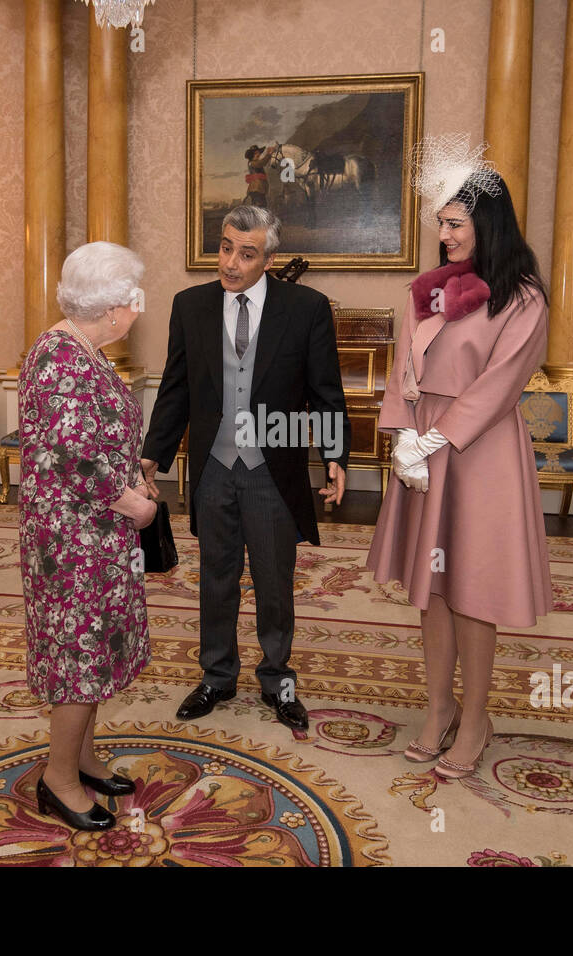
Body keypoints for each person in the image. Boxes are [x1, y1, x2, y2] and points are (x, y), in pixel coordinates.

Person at [366, 135, 553, 780]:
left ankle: (476, 718)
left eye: (455, 222)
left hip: (477, 453)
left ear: (487, 222)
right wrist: (400, 435)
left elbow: (502, 383)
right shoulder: (434, 290)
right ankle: (439, 706)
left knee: (471, 588)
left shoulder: (522, 297)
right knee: (432, 590)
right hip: (422, 452)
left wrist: (436, 436)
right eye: (440, 223)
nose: (444, 234)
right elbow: (404, 366)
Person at [140, 205, 351, 731]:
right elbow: (176, 387)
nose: (231, 263)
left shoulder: (306, 308)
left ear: (269, 260)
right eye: (225, 247)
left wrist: (333, 456)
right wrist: (153, 454)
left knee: (274, 580)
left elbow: (326, 393)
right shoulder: (190, 305)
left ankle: (278, 679)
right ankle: (216, 675)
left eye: (247, 253)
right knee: (215, 577)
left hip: (270, 469)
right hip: (212, 466)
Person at [18, 241, 156, 831]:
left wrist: (135, 470)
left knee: (96, 650)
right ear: (113, 307)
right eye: (136, 299)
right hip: (73, 540)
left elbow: (93, 437)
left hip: (96, 534)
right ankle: (59, 778)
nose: (139, 311)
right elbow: (73, 458)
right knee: (79, 655)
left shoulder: (80, 348)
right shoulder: (58, 359)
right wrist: (136, 505)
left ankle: (82, 757)